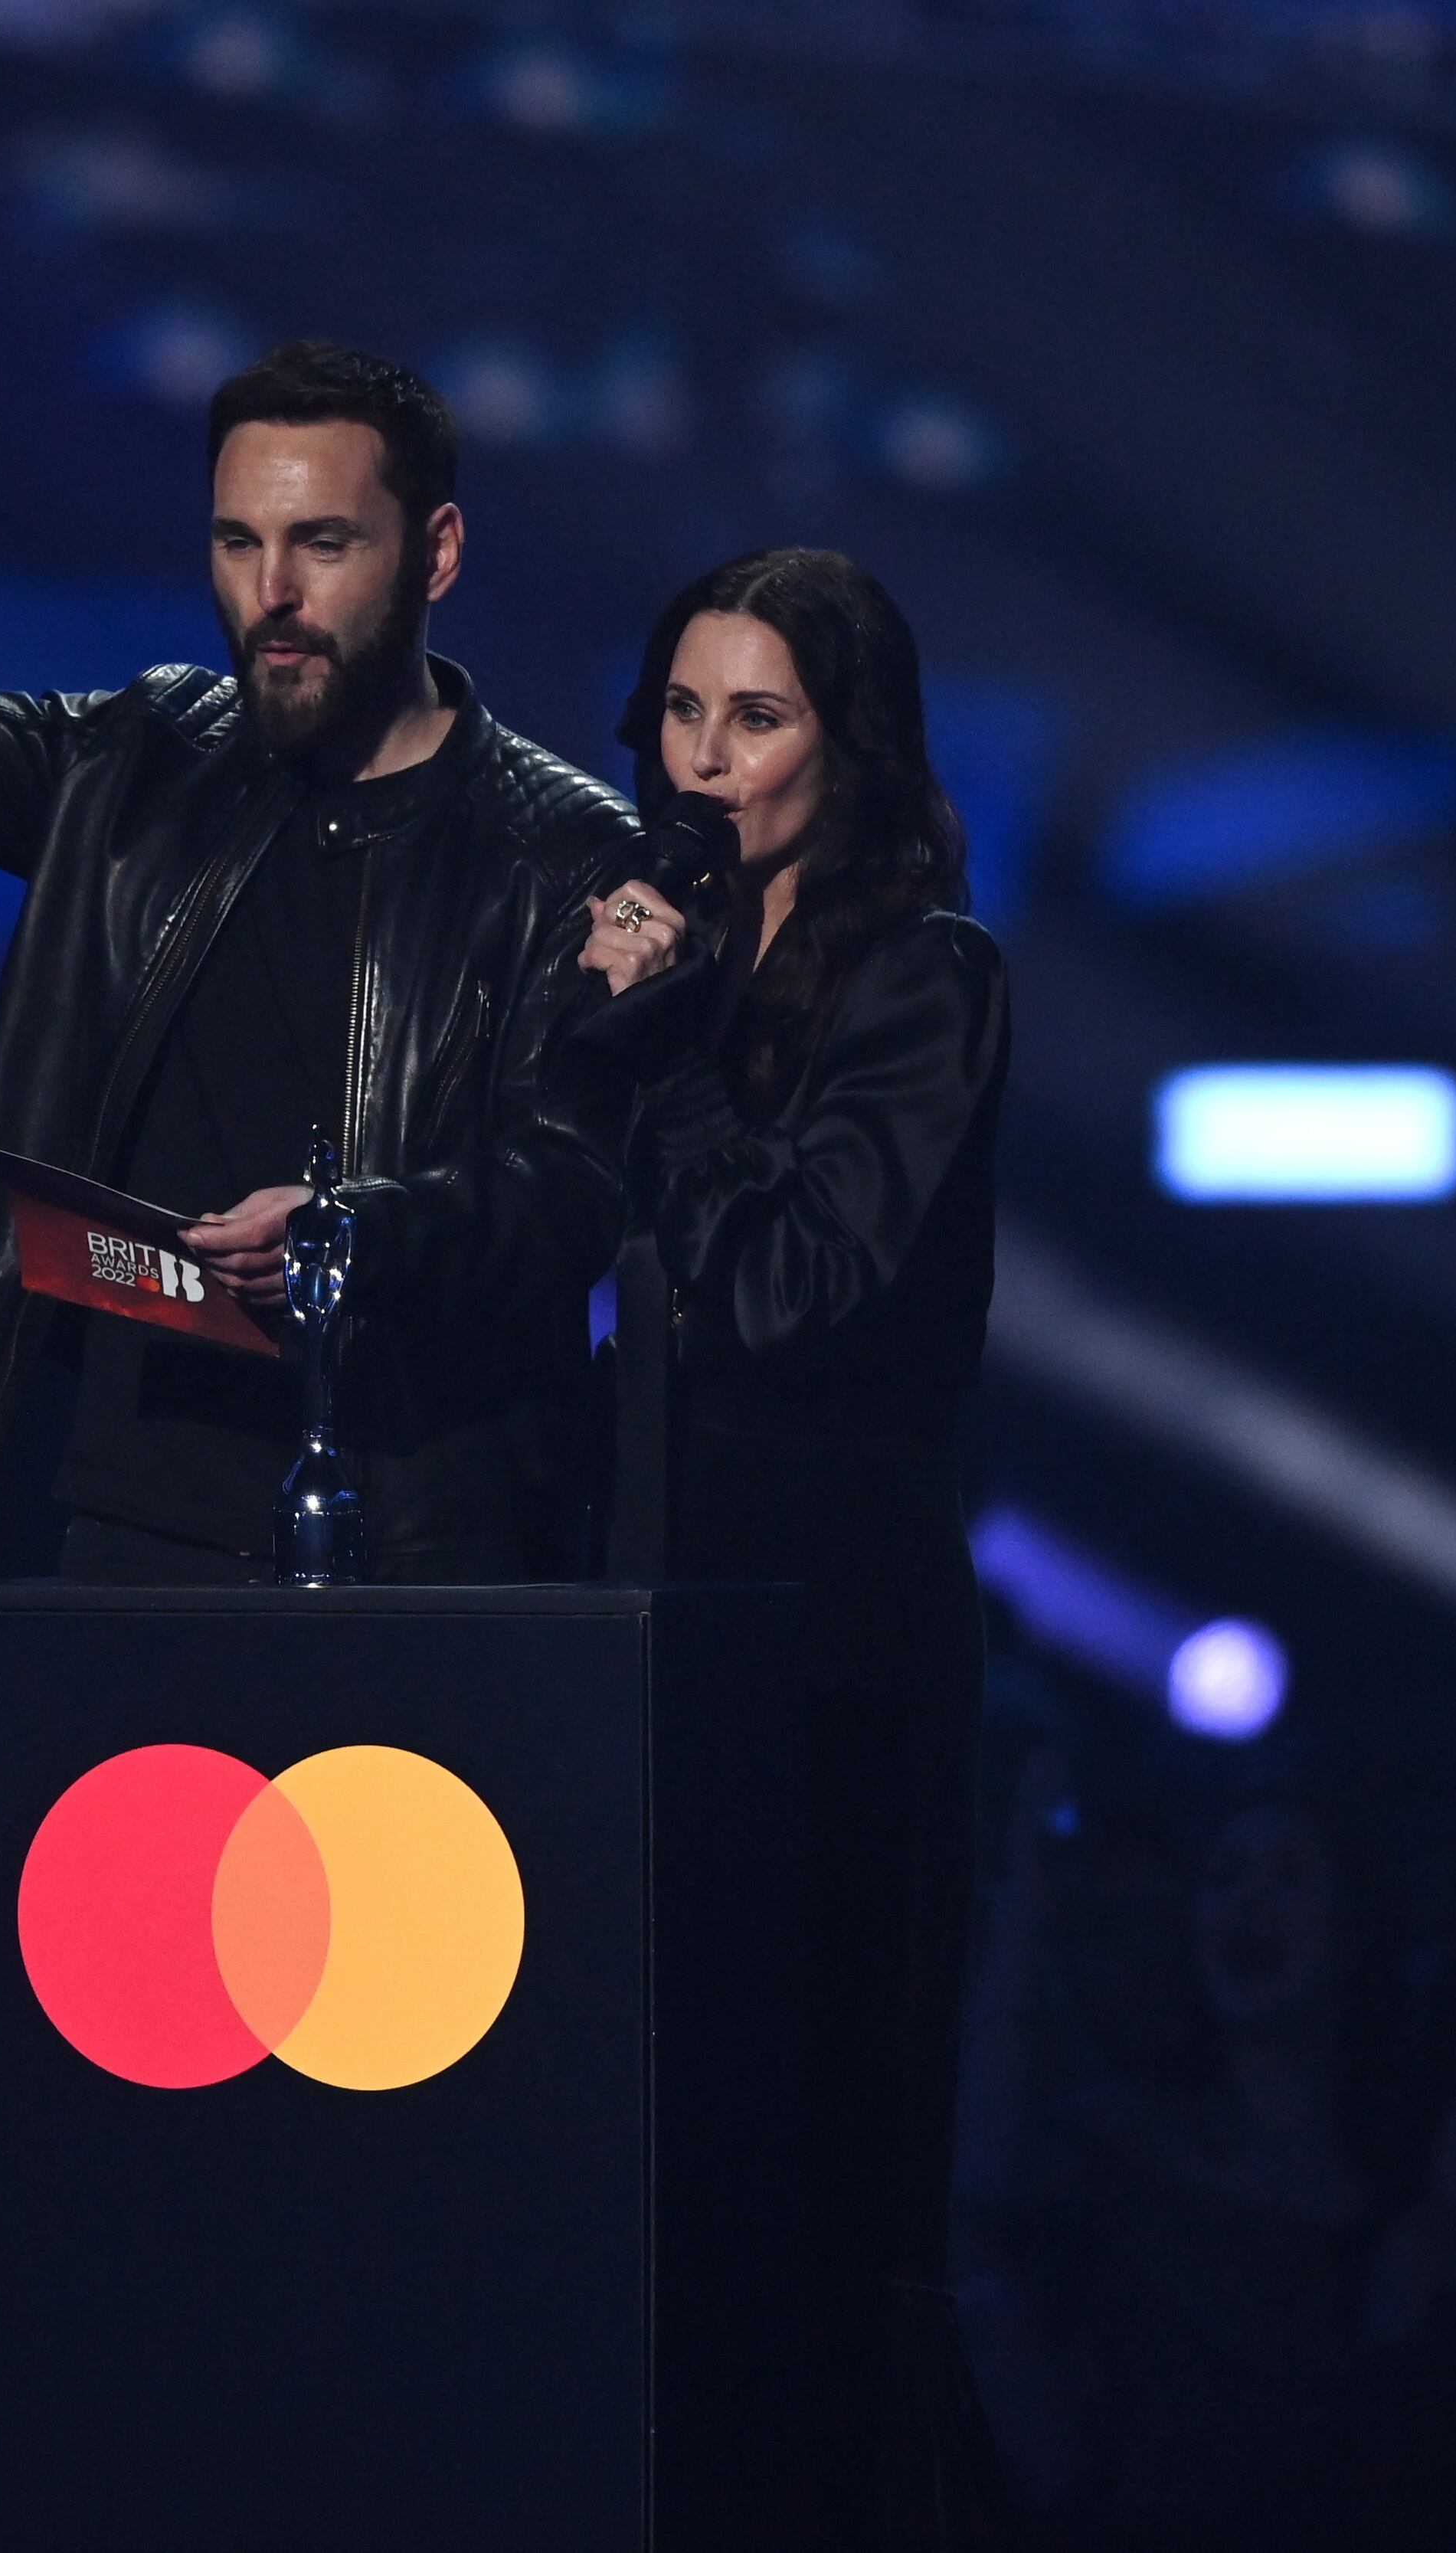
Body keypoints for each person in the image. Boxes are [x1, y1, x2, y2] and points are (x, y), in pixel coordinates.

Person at [0, 201, 637, 1583]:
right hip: (143, 1510)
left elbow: (569, 1190)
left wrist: (355, 1237)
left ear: (437, 553)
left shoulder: (563, 851)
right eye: (234, 542)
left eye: (323, 544)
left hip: (428, 1527)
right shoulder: (137, 760)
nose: (270, 592)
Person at [564, 547, 1008, 2544]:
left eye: (761, 719)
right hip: (632, 1623)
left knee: (822, 2190)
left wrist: (659, 1054)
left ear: (849, 744)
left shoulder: (930, 979)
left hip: (832, 1657)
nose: (711, 761)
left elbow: (787, 1282)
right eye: (684, 712)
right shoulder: (642, 956)